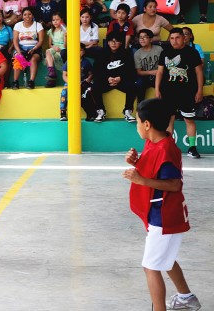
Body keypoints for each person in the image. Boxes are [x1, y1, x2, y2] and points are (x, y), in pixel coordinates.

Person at [122, 98, 202, 311]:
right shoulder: (154, 142)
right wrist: (137, 162)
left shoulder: (165, 150)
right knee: (165, 259)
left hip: (164, 217)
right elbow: (153, 168)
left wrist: (142, 181)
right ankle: (186, 298)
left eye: (138, 121)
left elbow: (174, 184)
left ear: (147, 124)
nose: (137, 125)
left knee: (151, 267)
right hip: (160, 214)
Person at [155, 28, 203, 159]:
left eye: (177, 38)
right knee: (169, 120)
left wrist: (200, 90)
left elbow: (199, 72)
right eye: (172, 38)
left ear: (183, 38)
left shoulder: (192, 52)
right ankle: (168, 148)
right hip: (168, 92)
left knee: (189, 119)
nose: (174, 41)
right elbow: (159, 72)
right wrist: (157, 89)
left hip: (187, 92)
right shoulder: (165, 52)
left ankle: (192, 148)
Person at [92, 31, 136, 123]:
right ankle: (101, 111)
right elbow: (97, 70)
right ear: (107, 42)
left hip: (121, 80)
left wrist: (120, 78)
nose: (113, 43)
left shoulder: (126, 54)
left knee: (132, 86)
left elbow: (130, 70)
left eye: (116, 41)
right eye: (111, 41)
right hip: (106, 80)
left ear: (121, 42)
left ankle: (127, 111)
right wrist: (107, 78)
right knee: (95, 87)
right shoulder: (102, 53)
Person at [59, 43, 95, 121]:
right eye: (76, 50)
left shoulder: (86, 62)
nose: (79, 52)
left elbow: (91, 74)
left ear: (84, 52)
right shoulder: (69, 61)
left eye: (81, 50)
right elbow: (64, 75)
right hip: (70, 82)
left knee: (87, 93)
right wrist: (70, 83)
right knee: (64, 92)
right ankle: (63, 112)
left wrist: (88, 79)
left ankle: (91, 113)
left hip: (82, 83)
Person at [12, 7, 45, 89]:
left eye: (29, 14)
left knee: (33, 59)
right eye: (25, 15)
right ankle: (15, 82)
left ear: (32, 15)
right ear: (22, 16)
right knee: (18, 58)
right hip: (21, 47)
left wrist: (34, 49)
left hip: (35, 48)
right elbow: (15, 41)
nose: (27, 16)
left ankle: (31, 82)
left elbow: (41, 41)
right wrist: (19, 51)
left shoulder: (38, 25)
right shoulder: (18, 25)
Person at [134, 28, 163, 103]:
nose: (142, 39)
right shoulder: (137, 53)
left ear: (151, 39)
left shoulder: (159, 49)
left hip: (159, 76)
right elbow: (139, 72)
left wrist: (158, 73)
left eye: (145, 37)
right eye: (140, 37)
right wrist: (152, 72)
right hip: (145, 77)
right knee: (139, 83)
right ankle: (140, 106)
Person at [45, 12, 67, 88]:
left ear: (61, 20)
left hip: (62, 49)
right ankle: (51, 71)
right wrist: (53, 47)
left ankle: (51, 79)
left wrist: (65, 36)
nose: (55, 21)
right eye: (53, 20)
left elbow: (65, 45)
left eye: (57, 19)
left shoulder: (64, 30)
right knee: (48, 51)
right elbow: (50, 44)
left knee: (49, 59)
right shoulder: (51, 31)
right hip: (54, 48)